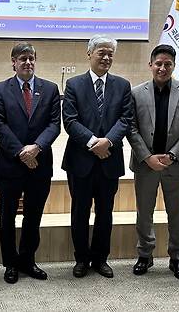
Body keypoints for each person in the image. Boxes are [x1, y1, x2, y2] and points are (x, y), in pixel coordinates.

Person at [126, 44, 179, 281]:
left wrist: (172, 156)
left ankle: (177, 257)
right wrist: (147, 156)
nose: (163, 68)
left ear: (173, 66)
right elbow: (131, 127)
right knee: (144, 212)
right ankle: (145, 254)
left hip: (175, 164)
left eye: (168, 64)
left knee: (176, 213)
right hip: (145, 163)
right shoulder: (136, 93)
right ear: (150, 65)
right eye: (158, 63)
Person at [62, 34, 132, 278]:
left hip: (109, 161)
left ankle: (101, 259)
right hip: (80, 161)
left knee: (105, 213)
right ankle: (81, 259)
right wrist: (94, 143)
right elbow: (69, 121)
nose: (106, 57)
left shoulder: (123, 85)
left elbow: (125, 119)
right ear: (89, 54)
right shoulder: (73, 84)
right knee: (79, 212)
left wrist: (108, 141)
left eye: (110, 53)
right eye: (101, 52)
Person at [0, 42, 61, 284]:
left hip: (40, 164)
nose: (27, 62)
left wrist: (36, 148)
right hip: (10, 165)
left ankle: (28, 260)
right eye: (22, 58)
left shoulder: (50, 89)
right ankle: (10, 263)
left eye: (31, 58)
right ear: (13, 62)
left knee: (34, 216)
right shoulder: (1, 89)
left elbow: (54, 125)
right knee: (7, 216)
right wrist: (22, 152)